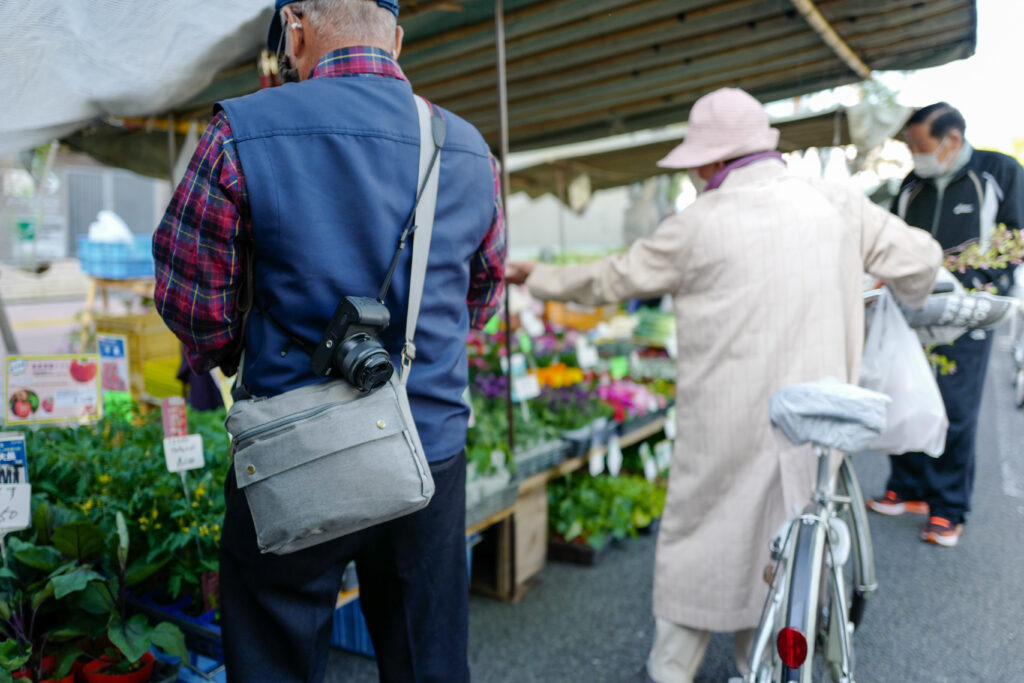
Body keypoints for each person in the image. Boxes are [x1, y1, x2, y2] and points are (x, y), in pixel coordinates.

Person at [505, 88, 942, 683]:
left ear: (712, 161)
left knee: (704, 543)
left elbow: (613, 277)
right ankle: (757, 660)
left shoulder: (698, 224)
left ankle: (671, 671)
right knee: (785, 542)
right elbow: (921, 260)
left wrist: (540, 277)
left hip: (727, 425)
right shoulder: (837, 201)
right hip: (816, 425)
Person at [152, 1, 505, 680]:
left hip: (293, 446)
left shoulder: (239, 132)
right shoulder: (466, 148)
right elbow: (481, 293)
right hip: (426, 445)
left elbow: (190, 299)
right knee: (427, 659)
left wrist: (230, 353)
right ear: (397, 39)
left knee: (276, 653)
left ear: (297, 28)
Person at [867, 102, 1024, 547]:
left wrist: (972, 281)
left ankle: (947, 507)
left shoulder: (998, 171)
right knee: (904, 391)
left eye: (921, 145)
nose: (916, 154)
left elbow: (1016, 241)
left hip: (968, 313)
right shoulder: (912, 184)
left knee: (956, 408)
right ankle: (909, 487)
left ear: (952, 140)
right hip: (910, 310)